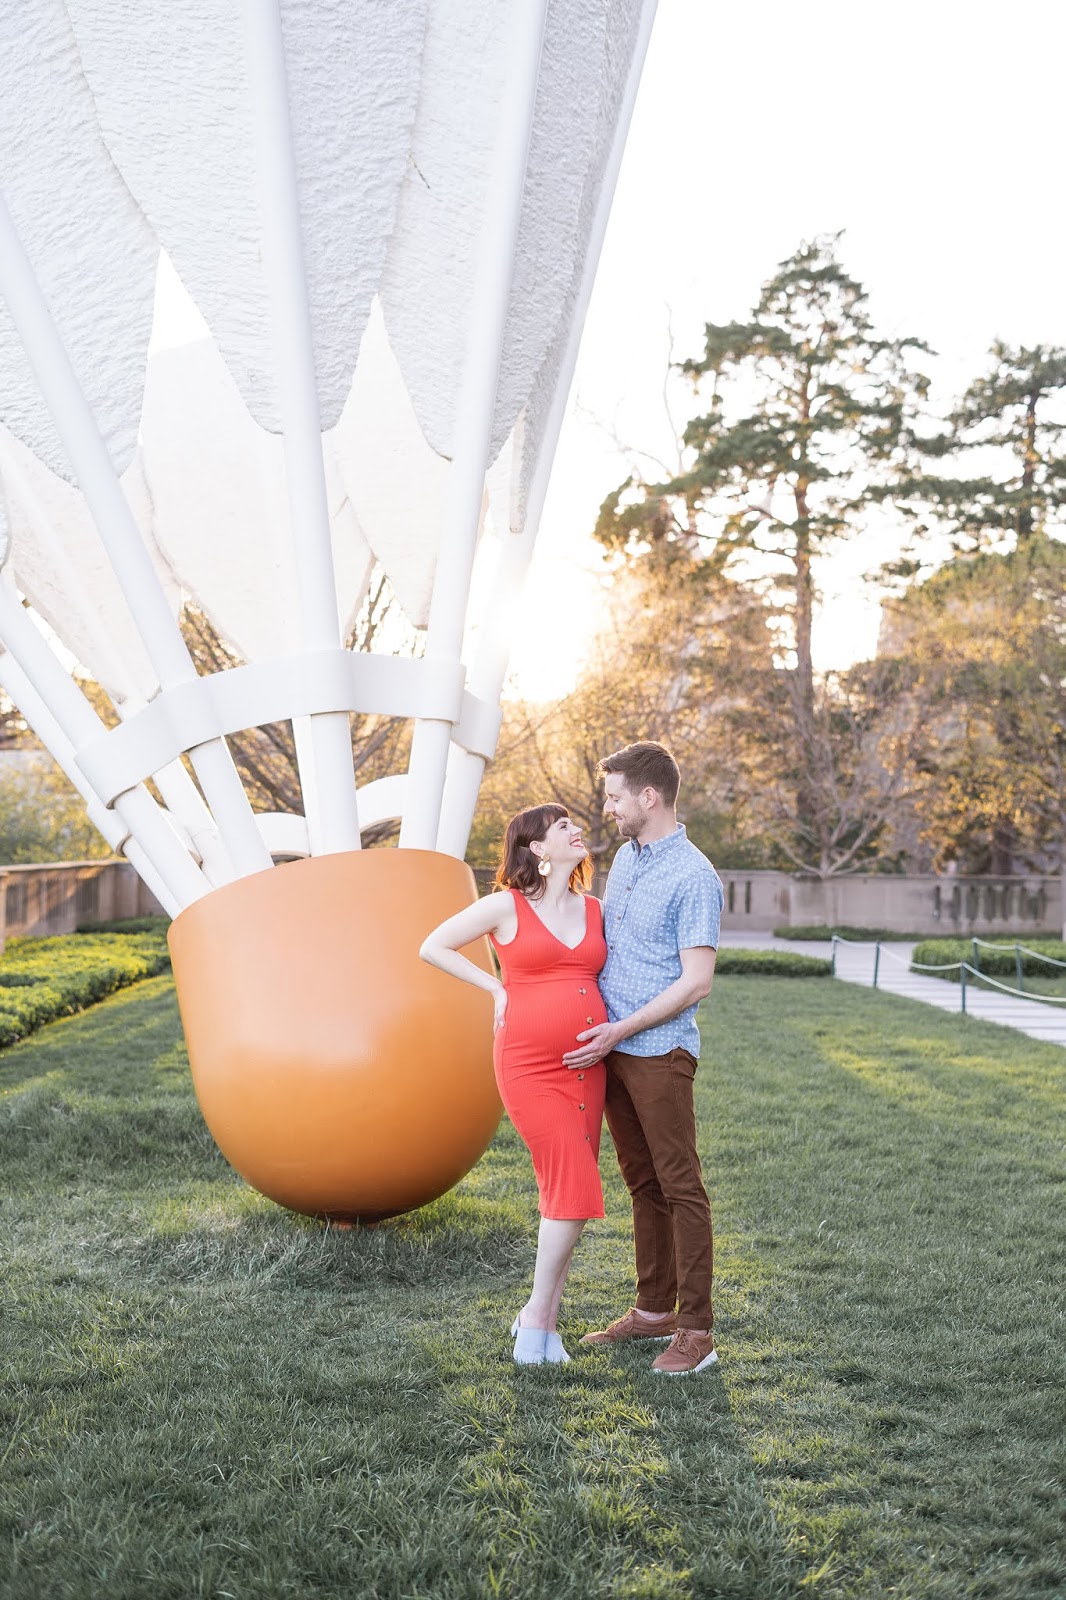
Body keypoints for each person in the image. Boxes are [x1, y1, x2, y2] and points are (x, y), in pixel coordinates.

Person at [419, 804, 607, 1366]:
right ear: (538, 848)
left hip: (588, 1066)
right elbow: (433, 945)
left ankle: (541, 1320)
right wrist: (497, 989)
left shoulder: (595, 909)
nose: (577, 830)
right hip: (529, 1064)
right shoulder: (507, 905)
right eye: (563, 827)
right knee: (573, 1182)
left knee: (566, 1195)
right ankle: (536, 1322)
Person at [562, 741, 723, 1376]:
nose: (607, 808)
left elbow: (696, 981)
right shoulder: (627, 858)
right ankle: (654, 1310)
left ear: (648, 797)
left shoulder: (694, 876)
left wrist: (622, 1029)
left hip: (659, 1052)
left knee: (681, 1187)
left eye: (615, 797)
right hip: (614, 1048)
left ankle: (697, 1331)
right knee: (643, 1184)